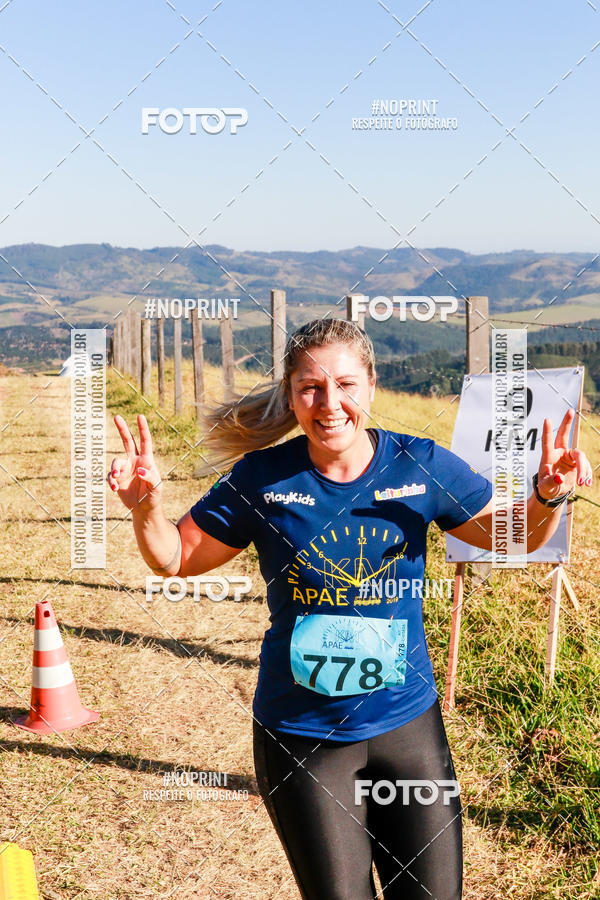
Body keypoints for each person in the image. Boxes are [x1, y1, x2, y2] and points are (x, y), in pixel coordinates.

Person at [108, 318, 592, 900]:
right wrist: (145, 508)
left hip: (408, 730)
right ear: (291, 395)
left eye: (345, 384)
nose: (329, 404)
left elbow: (510, 535)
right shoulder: (262, 479)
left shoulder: (419, 466)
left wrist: (545, 496)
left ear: (370, 384)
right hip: (303, 737)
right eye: (310, 387)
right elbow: (175, 559)